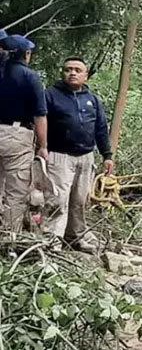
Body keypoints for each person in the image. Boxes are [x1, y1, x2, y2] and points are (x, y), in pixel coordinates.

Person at [43, 57, 113, 247]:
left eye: (77, 70)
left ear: (86, 75)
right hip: (58, 156)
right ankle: (51, 241)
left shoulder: (92, 99)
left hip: (86, 157)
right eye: (68, 69)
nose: (72, 73)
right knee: (57, 200)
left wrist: (107, 155)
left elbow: (100, 128)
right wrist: (40, 148)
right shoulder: (50, 95)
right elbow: (40, 123)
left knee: (80, 200)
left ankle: (75, 237)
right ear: (62, 73)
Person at [0, 35, 48, 231]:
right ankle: (9, 238)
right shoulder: (30, 77)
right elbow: (40, 115)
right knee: (16, 191)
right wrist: (43, 146)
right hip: (16, 135)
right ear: (26, 54)